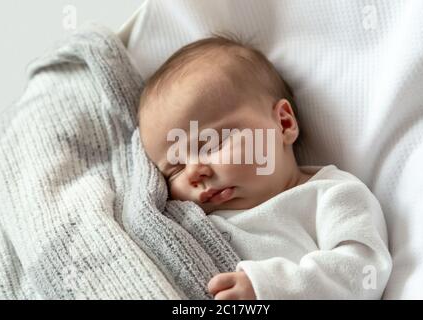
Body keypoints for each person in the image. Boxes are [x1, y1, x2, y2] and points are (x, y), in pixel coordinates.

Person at [137, 35, 392, 299]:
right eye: (175, 169)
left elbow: (363, 272)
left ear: (283, 124)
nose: (194, 172)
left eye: (211, 144)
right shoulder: (193, 221)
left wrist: (269, 288)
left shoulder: (330, 195)